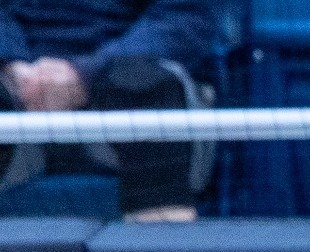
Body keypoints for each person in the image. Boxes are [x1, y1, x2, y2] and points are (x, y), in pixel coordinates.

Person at [0, 0, 216, 221]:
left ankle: (159, 247)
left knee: (139, 81)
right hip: (20, 93)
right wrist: (11, 64)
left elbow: (183, 20)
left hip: (129, 79)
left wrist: (83, 74)